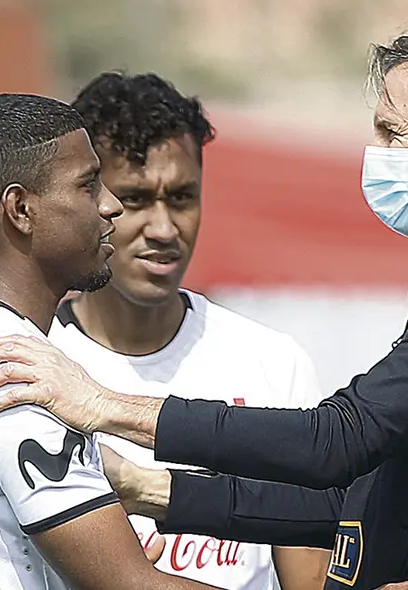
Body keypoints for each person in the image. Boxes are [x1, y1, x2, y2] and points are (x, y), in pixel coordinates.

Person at [0, 12, 408, 590]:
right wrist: (152, 487)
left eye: (393, 131)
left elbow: (335, 441)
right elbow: (352, 503)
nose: (376, 152)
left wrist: (103, 405)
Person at [0, 93, 224, 589]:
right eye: (89, 186)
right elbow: (133, 586)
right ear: (20, 209)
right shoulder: (13, 377)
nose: (110, 206)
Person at [45, 71, 334, 590]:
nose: (163, 229)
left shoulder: (273, 362)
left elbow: (309, 578)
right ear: (92, 200)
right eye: (134, 199)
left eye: (180, 198)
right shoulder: (39, 368)